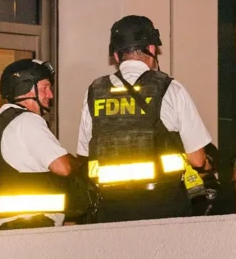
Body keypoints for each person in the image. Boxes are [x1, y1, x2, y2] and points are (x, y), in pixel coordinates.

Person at [76, 15, 213, 222]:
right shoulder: (170, 89)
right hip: (163, 207)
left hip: (111, 208)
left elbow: (84, 156)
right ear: (151, 48)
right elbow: (197, 159)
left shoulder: (94, 92)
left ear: (115, 55)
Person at [0, 58, 76, 230]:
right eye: (45, 88)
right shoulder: (26, 121)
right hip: (31, 226)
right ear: (25, 88)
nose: (50, 95)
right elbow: (63, 168)